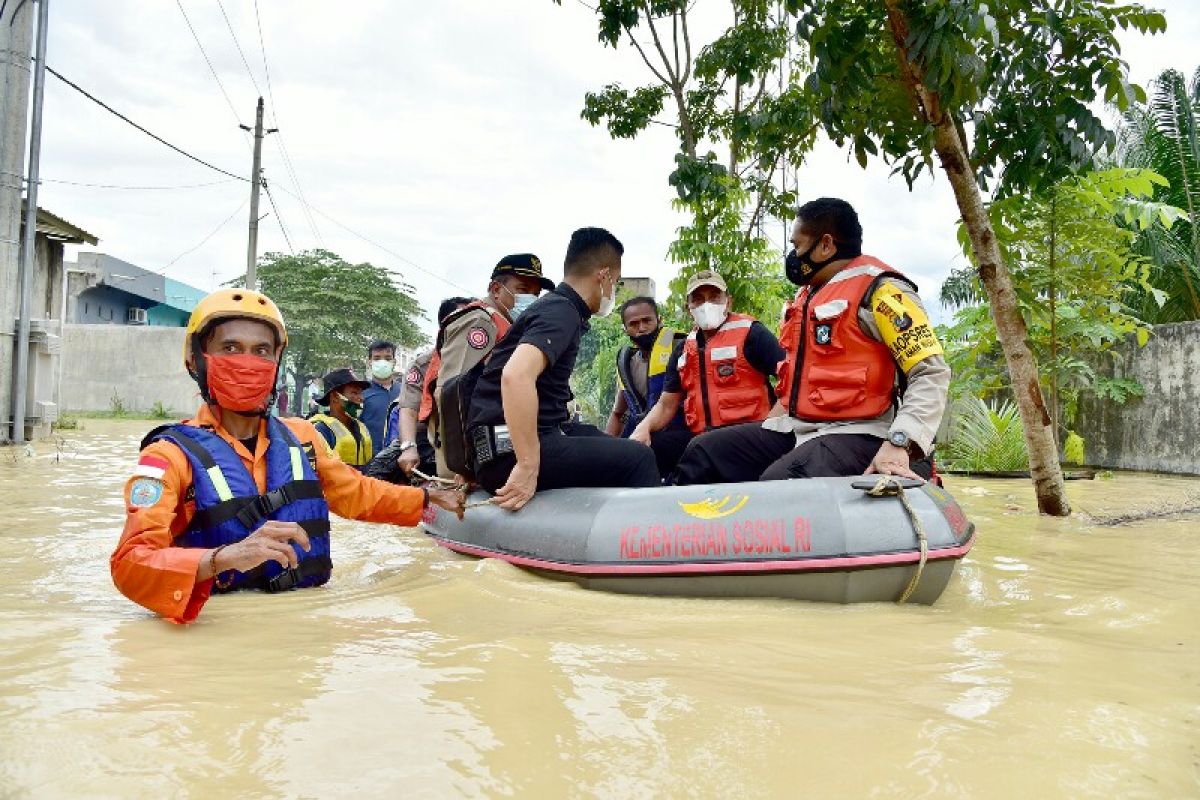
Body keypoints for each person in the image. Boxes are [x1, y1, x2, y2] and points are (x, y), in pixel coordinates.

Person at [109, 288, 464, 623]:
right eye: (231, 348)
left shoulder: (303, 437)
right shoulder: (169, 456)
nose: (248, 362)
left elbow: (356, 494)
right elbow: (130, 564)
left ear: (277, 360)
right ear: (195, 361)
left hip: (305, 628)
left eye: (262, 351)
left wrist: (427, 497)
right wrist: (220, 559)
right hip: (220, 632)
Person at [672, 197, 950, 485]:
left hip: (863, 430)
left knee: (779, 480)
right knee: (703, 450)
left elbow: (931, 372)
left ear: (826, 245)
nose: (793, 255)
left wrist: (900, 441)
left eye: (797, 245)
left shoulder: (882, 291)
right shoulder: (808, 295)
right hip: (800, 427)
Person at [467, 227, 660, 510]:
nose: (612, 292)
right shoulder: (562, 312)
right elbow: (515, 376)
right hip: (508, 453)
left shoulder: (554, 307)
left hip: (509, 443)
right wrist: (527, 465)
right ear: (603, 276)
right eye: (615, 283)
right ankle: (647, 544)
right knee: (639, 459)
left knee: (610, 442)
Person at [628, 271, 784, 476]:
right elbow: (666, 405)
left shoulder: (752, 334)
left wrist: (771, 425)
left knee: (700, 449)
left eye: (714, 296)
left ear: (728, 302)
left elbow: (792, 380)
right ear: (688, 308)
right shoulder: (683, 349)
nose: (706, 304)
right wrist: (644, 428)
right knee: (647, 450)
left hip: (750, 436)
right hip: (703, 437)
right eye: (698, 299)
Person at [423, 254, 553, 478]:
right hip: (466, 458)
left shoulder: (509, 325)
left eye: (535, 293)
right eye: (522, 289)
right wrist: (461, 466)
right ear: (496, 289)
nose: (530, 298)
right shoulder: (479, 321)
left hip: (494, 444)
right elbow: (452, 392)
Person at [367, 297, 471, 484]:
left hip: (470, 435)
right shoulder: (423, 365)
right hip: (428, 437)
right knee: (377, 473)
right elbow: (409, 410)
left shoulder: (486, 357)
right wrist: (408, 447)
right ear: (446, 326)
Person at [605, 296, 691, 476]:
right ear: (625, 329)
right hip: (644, 439)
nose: (642, 328)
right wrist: (607, 448)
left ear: (660, 321)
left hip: (681, 436)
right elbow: (618, 413)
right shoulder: (626, 363)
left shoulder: (682, 347)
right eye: (634, 324)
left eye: (647, 321)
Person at [309, 369, 373, 469]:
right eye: (354, 393)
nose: (361, 398)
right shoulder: (321, 430)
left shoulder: (361, 427)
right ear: (335, 397)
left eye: (361, 393)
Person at [360, 339, 400, 452]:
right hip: (371, 461)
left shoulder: (405, 391)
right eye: (377, 358)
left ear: (394, 362)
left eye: (387, 358)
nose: (382, 362)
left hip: (402, 459)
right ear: (369, 362)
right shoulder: (360, 393)